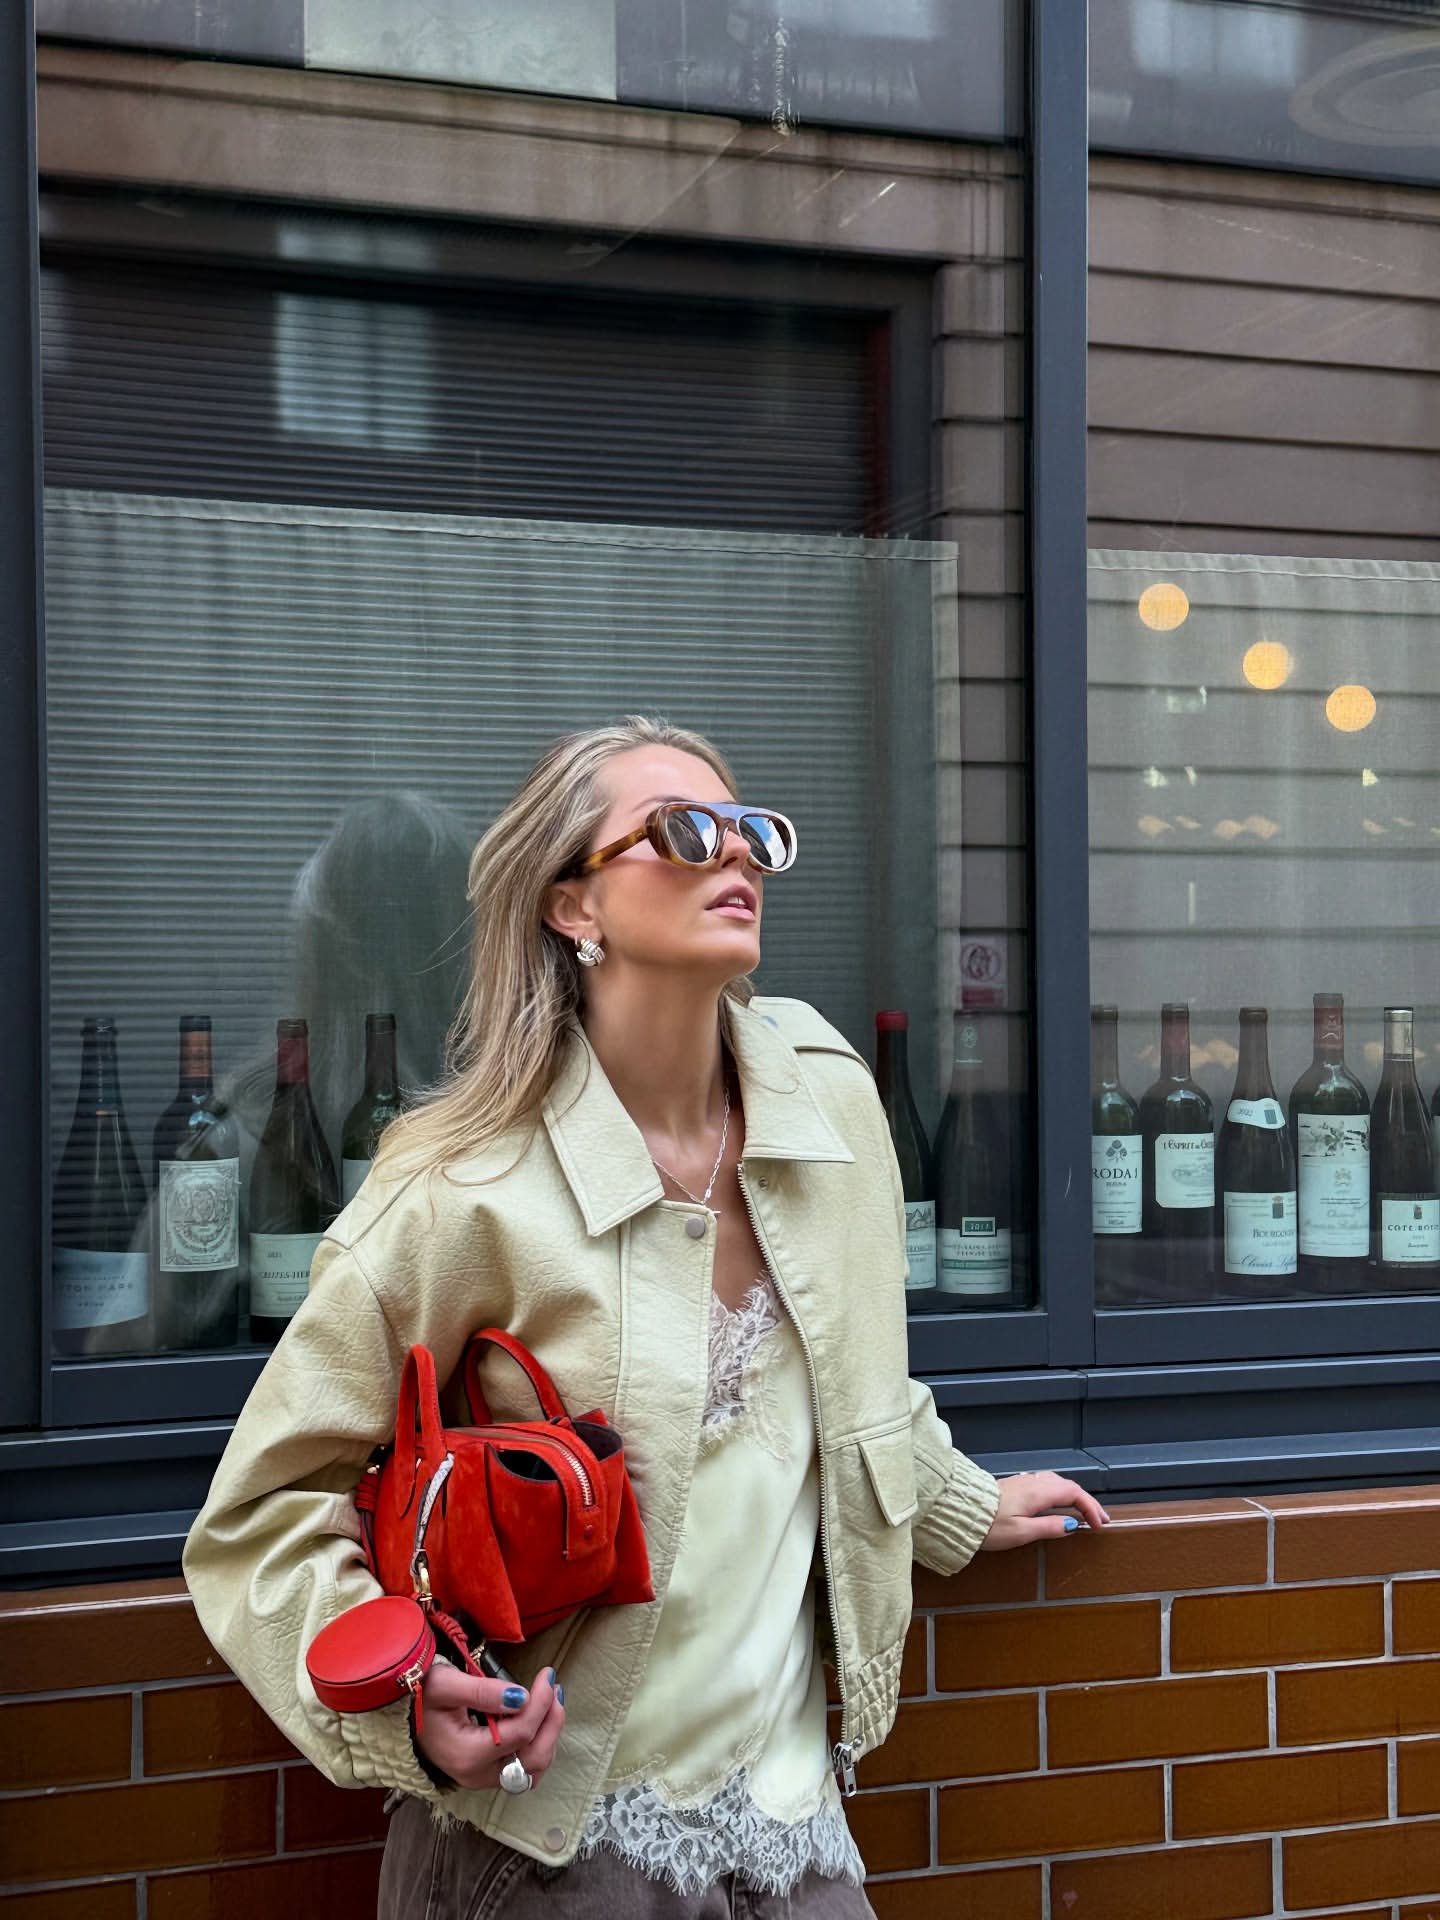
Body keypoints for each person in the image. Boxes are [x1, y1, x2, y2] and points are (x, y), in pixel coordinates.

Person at [184, 713, 1109, 1919]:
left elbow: (850, 1378)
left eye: (751, 832)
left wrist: (957, 1501)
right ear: (574, 907)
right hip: (545, 1848)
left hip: (796, 1836)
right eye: (684, 832)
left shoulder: (829, 1105)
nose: (736, 856)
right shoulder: (463, 1184)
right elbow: (261, 1511)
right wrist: (407, 1699)